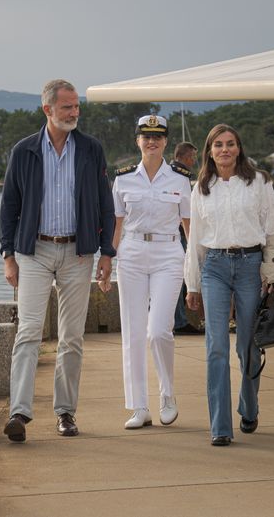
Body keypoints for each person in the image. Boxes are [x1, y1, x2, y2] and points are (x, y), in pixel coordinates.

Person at [0, 79, 115, 442]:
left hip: (78, 252)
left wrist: (107, 252)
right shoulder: (24, 151)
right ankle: (19, 412)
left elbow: (104, 204)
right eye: (67, 107)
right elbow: (10, 208)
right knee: (29, 332)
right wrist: (7, 255)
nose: (74, 112)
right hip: (32, 251)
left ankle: (65, 413)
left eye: (77, 106)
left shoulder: (91, 150)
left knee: (72, 337)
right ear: (47, 109)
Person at [185, 123, 274, 446]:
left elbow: (271, 231)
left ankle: (249, 407)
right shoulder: (201, 188)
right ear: (209, 151)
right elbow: (195, 239)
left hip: (252, 266)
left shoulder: (259, 182)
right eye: (218, 145)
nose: (224, 149)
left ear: (239, 148)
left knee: (248, 346)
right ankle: (220, 427)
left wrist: (271, 273)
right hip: (214, 266)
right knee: (216, 347)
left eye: (230, 144)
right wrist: (192, 284)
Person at [102, 114, 191, 429]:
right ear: (138, 140)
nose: (151, 141)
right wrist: (107, 260)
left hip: (169, 253)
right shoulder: (124, 177)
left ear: (165, 140)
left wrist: (194, 269)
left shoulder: (180, 178)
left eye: (157, 136)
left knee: (158, 331)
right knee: (134, 332)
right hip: (133, 253)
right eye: (145, 136)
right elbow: (116, 222)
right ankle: (139, 407)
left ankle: (168, 395)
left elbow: (188, 227)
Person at [170, 142, 202, 335]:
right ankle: (179, 322)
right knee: (179, 280)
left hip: (178, 233)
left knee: (180, 280)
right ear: (183, 156)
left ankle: (178, 321)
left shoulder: (175, 173)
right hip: (179, 234)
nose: (194, 160)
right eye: (192, 157)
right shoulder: (178, 175)